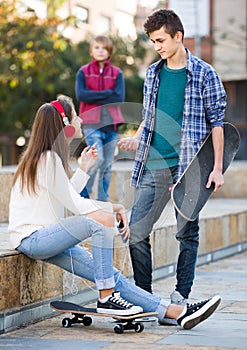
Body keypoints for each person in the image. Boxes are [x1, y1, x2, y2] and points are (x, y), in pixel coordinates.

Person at [7, 94, 221, 329]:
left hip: (45, 238)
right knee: (97, 224)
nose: (80, 120)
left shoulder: (47, 158)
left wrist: (84, 169)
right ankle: (106, 298)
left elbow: (66, 197)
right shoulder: (47, 159)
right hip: (33, 238)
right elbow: (76, 205)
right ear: (65, 125)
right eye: (76, 116)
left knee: (111, 275)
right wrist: (112, 211)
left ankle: (173, 312)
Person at [118, 9, 226, 324]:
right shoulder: (153, 73)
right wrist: (137, 138)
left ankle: (180, 298)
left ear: (178, 36)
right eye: (153, 41)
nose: (158, 47)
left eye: (161, 40)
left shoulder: (204, 73)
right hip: (153, 164)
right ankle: (147, 300)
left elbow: (217, 123)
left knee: (186, 233)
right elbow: (149, 115)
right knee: (136, 233)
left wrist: (217, 167)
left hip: (189, 168)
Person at [75, 35, 125, 201]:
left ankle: (102, 203)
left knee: (106, 167)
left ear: (109, 51)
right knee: (98, 158)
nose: (100, 51)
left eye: (104, 48)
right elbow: (82, 95)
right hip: (91, 124)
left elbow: (118, 98)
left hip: (112, 126)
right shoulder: (83, 72)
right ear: (91, 50)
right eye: (97, 47)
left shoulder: (117, 73)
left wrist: (95, 96)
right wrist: (107, 94)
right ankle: (84, 197)